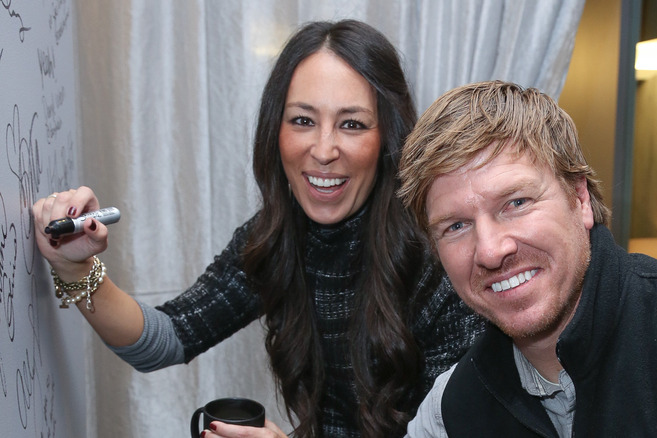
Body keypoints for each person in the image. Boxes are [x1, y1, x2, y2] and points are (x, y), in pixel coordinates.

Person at [33, 20, 484, 438]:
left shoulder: (439, 255)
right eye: (303, 120)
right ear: (276, 131)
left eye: (351, 124)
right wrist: (76, 266)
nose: (323, 150)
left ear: (387, 136)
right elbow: (163, 341)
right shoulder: (277, 236)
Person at [397, 80, 657, 437]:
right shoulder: (450, 411)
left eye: (516, 203)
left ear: (579, 199)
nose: (491, 251)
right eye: (456, 226)